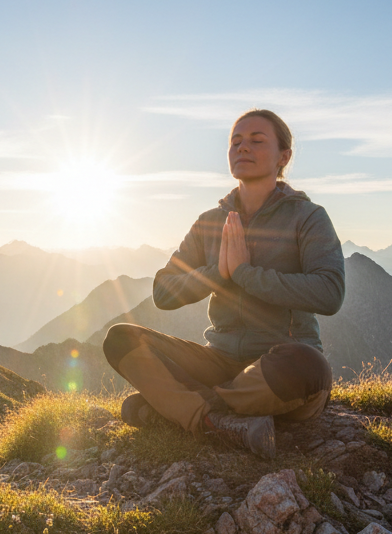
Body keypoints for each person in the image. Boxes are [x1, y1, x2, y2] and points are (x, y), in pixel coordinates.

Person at [102, 109, 344, 460]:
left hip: (277, 366)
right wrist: (219, 273)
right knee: (121, 339)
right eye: (235, 141)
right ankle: (217, 419)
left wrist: (245, 273)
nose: (242, 147)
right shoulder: (210, 223)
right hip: (219, 359)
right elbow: (163, 292)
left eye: (257, 141)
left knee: (309, 367)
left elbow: (330, 292)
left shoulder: (307, 218)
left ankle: (185, 409)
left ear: (284, 157)